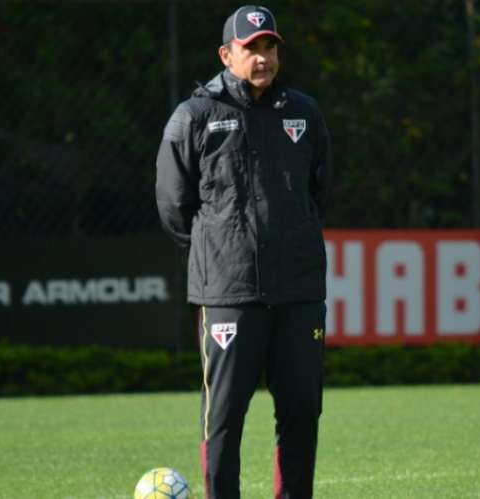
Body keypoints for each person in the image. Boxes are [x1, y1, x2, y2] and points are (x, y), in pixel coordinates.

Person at [155, 5, 331, 498]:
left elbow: (319, 191)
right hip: (230, 293)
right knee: (225, 418)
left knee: (300, 411)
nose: (263, 58)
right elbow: (173, 204)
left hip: (298, 291)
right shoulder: (193, 117)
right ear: (226, 54)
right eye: (251, 49)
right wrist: (221, 252)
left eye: (269, 47)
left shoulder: (304, 113)